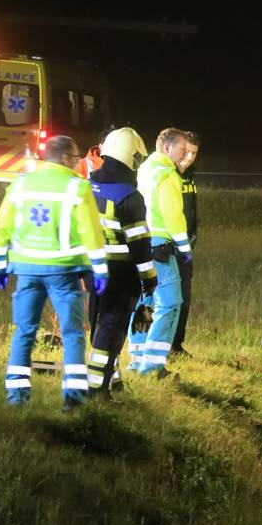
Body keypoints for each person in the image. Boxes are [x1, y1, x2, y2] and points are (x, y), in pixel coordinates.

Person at [0, 135, 109, 409]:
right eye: (77, 158)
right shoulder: (77, 188)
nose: (79, 163)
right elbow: (92, 233)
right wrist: (100, 271)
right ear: (66, 158)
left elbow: (1, 228)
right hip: (64, 273)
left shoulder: (21, 185)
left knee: (24, 332)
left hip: (27, 270)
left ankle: (16, 398)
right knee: (72, 333)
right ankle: (73, 400)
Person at [86, 127, 158, 395]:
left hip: (92, 269)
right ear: (132, 158)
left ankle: (113, 383)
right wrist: (150, 279)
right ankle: (96, 390)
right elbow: (140, 245)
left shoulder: (88, 185)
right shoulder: (129, 197)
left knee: (99, 326)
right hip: (120, 274)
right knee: (111, 331)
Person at [128, 128, 193, 376]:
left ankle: (136, 358)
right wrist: (185, 248)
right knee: (170, 304)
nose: (185, 155)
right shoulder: (167, 173)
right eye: (181, 149)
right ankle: (153, 365)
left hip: (140, 245)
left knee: (144, 303)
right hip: (160, 248)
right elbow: (173, 215)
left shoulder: (144, 169)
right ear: (167, 148)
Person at [170, 130, 200, 357]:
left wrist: (194, 232)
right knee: (164, 300)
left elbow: (192, 209)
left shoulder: (190, 176)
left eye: (194, 154)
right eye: (186, 152)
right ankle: (149, 345)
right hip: (166, 246)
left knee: (184, 298)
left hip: (185, 246)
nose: (189, 158)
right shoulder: (167, 175)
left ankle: (176, 344)